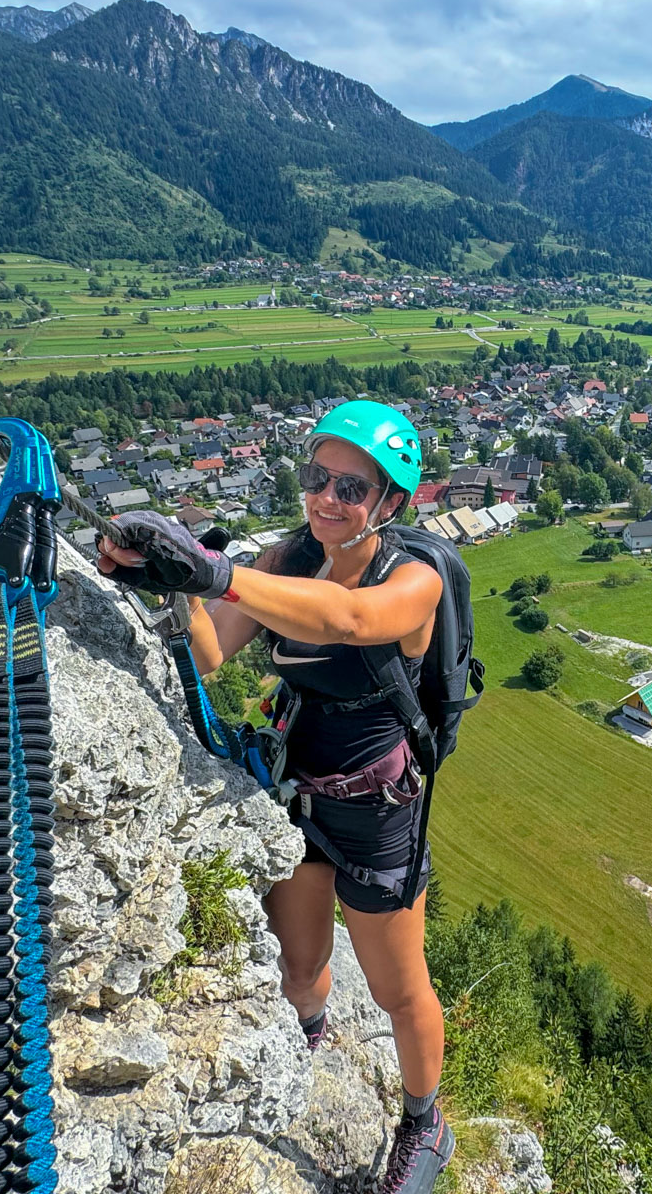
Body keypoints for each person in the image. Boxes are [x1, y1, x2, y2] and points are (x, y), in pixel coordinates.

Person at [96, 400, 453, 1194]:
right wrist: (176, 581)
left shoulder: (414, 581)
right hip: (298, 794)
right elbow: (216, 648)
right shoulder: (292, 557)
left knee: (399, 990)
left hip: (376, 814)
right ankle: (310, 1037)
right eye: (317, 478)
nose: (328, 499)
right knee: (300, 967)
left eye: (352, 489)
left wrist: (217, 571)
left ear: (392, 502)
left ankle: (426, 1123)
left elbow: (353, 620)